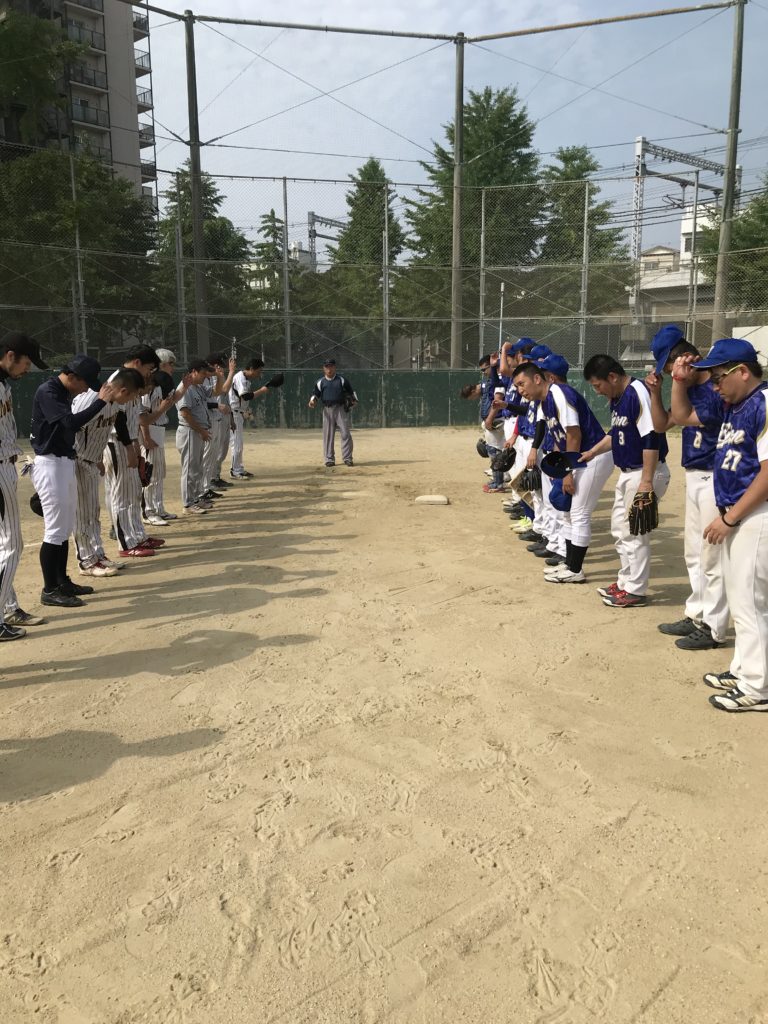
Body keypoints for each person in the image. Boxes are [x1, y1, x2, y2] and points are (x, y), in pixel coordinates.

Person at [670, 338, 768, 712]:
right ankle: (744, 670)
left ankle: (758, 688)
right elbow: (681, 417)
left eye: (719, 376)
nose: (714, 384)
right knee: (742, 600)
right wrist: (681, 379)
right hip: (739, 514)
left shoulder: (763, 403)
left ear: (743, 372)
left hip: (755, 515)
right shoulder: (734, 406)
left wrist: (730, 516)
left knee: (751, 604)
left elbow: (767, 472)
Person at [645, 325, 728, 651]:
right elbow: (661, 424)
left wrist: (678, 382)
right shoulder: (690, 387)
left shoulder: (714, 390)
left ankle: (714, 626)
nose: (670, 372)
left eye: (671, 366)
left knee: (711, 557)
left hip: (714, 477)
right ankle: (697, 613)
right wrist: (656, 393)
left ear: (687, 359)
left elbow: (678, 415)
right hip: (695, 476)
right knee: (693, 553)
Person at [514, 355, 613, 583]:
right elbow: (559, 437)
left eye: (522, 383)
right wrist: (561, 469)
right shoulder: (544, 400)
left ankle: (575, 570)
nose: (520, 390)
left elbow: (573, 434)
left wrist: (568, 472)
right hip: (579, 458)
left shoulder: (558, 393)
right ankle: (568, 564)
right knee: (567, 511)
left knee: (578, 513)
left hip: (593, 456)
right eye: (517, 386)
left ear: (537, 379)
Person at [582, 353, 670, 609]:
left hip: (644, 472)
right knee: (620, 531)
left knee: (634, 533)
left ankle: (636, 590)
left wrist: (646, 481)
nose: (597, 391)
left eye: (598, 385)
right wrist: (592, 452)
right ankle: (626, 581)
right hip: (629, 473)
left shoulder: (637, 392)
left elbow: (651, 436)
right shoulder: (619, 399)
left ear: (612, 377)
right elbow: (617, 434)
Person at [30, 355, 118, 608]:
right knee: (55, 530)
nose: (85, 389)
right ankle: (50, 589)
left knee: (65, 527)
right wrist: (100, 402)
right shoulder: (48, 390)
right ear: (72, 376)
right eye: (84, 383)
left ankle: (62, 582)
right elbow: (70, 422)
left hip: (64, 461)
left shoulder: (62, 391)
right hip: (49, 463)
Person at [0, 332, 49, 639]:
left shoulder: (3, 384)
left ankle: (8, 606)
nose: (26, 369)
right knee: (12, 544)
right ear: (9, 356)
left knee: (4, 545)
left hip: (6, 464)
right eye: (25, 362)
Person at [73, 368, 144, 578]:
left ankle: (97, 555)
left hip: (90, 461)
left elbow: (113, 427)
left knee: (92, 513)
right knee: (81, 515)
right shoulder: (91, 400)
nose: (132, 400)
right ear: (122, 390)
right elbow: (70, 428)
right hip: (75, 461)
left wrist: (96, 459)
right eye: (132, 395)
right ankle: (86, 561)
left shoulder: (113, 404)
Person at [104, 345, 163, 558]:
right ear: (137, 362)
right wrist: (130, 445)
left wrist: (135, 442)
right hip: (116, 442)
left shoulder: (131, 380)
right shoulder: (117, 381)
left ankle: (137, 536)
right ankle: (125, 543)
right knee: (121, 495)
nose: (149, 374)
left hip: (128, 441)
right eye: (149, 368)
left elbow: (131, 418)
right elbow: (117, 417)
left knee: (132, 494)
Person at [140, 347, 185, 525]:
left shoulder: (160, 385)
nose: (172, 368)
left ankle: (158, 508)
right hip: (149, 429)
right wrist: (146, 437)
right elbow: (142, 414)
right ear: (163, 365)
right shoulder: (149, 386)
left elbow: (170, 401)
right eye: (170, 364)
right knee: (149, 473)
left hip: (158, 428)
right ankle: (148, 512)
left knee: (159, 472)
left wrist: (185, 385)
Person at [176, 359, 215, 514]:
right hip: (190, 432)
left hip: (197, 432)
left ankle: (197, 498)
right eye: (203, 373)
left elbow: (217, 391)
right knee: (190, 468)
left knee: (197, 468)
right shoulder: (184, 388)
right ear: (193, 372)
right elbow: (185, 413)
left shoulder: (197, 387)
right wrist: (201, 430)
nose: (205, 376)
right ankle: (187, 504)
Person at [309, 359, 357, 467]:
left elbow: (351, 391)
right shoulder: (320, 382)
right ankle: (329, 459)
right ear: (323, 369)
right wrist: (312, 401)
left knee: (345, 433)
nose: (329, 369)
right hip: (327, 409)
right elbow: (316, 394)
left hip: (340, 409)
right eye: (327, 367)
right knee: (328, 435)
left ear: (335, 367)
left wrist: (354, 400)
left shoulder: (342, 380)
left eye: (331, 366)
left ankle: (348, 458)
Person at [201, 353, 236, 499]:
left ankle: (215, 476)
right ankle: (210, 481)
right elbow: (224, 390)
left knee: (222, 449)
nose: (219, 367)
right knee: (213, 452)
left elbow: (225, 397)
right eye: (217, 364)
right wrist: (231, 372)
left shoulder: (216, 377)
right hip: (213, 417)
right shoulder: (209, 378)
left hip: (223, 416)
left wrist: (232, 419)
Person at [229, 358, 269, 478]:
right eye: (258, 371)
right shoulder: (240, 377)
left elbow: (243, 399)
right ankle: (235, 471)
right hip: (234, 413)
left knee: (239, 444)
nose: (259, 374)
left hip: (239, 412)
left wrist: (246, 411)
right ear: (251, 369)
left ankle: (239, 468)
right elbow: (245, 396)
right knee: (236, 443)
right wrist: (261, 391)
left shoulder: (246, 379)